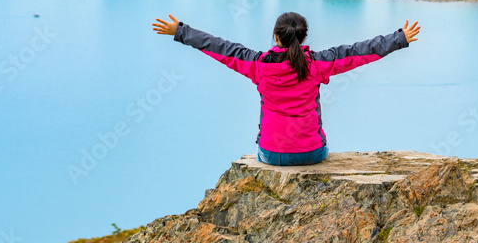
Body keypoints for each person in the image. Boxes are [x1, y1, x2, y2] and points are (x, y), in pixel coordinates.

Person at [151, 11, 421, 166]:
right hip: (312, 153)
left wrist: (181, 31)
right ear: (304, 36)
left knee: (263, 145)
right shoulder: (317, 64)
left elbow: (219, 46)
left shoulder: (257, 65)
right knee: (321, 142)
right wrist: (398, 39)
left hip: (270, 154)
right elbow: (358, 52)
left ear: (276, 36)